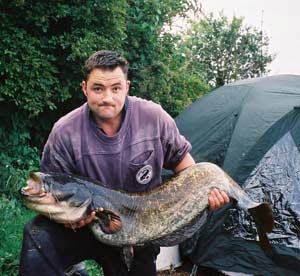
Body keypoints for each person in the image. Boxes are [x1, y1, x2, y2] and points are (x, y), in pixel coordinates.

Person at [19, 50, 230, 276]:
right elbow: (56, 190)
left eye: (116, 88)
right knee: (37, 233)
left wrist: (204, 192)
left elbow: (188, 169)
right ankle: (74, 270)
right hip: (87, 228)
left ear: (127, 87)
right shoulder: (64, 132)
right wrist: (68, 220)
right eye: (98, 88)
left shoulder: (154, 118)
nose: (107, 98)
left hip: (140, 231)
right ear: (84, 88)